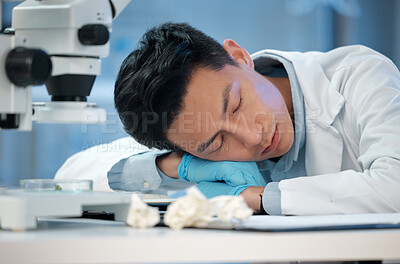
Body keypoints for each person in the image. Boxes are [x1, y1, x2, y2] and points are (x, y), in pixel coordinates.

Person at [56, 22, 400, 215]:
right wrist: (177, 167)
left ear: (238, 56)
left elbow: (394, 186)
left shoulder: (357, 74)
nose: (251, 138)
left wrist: (260, 197)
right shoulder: (188, 130)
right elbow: (70, 177)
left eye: (235, 105)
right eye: (217, 142)